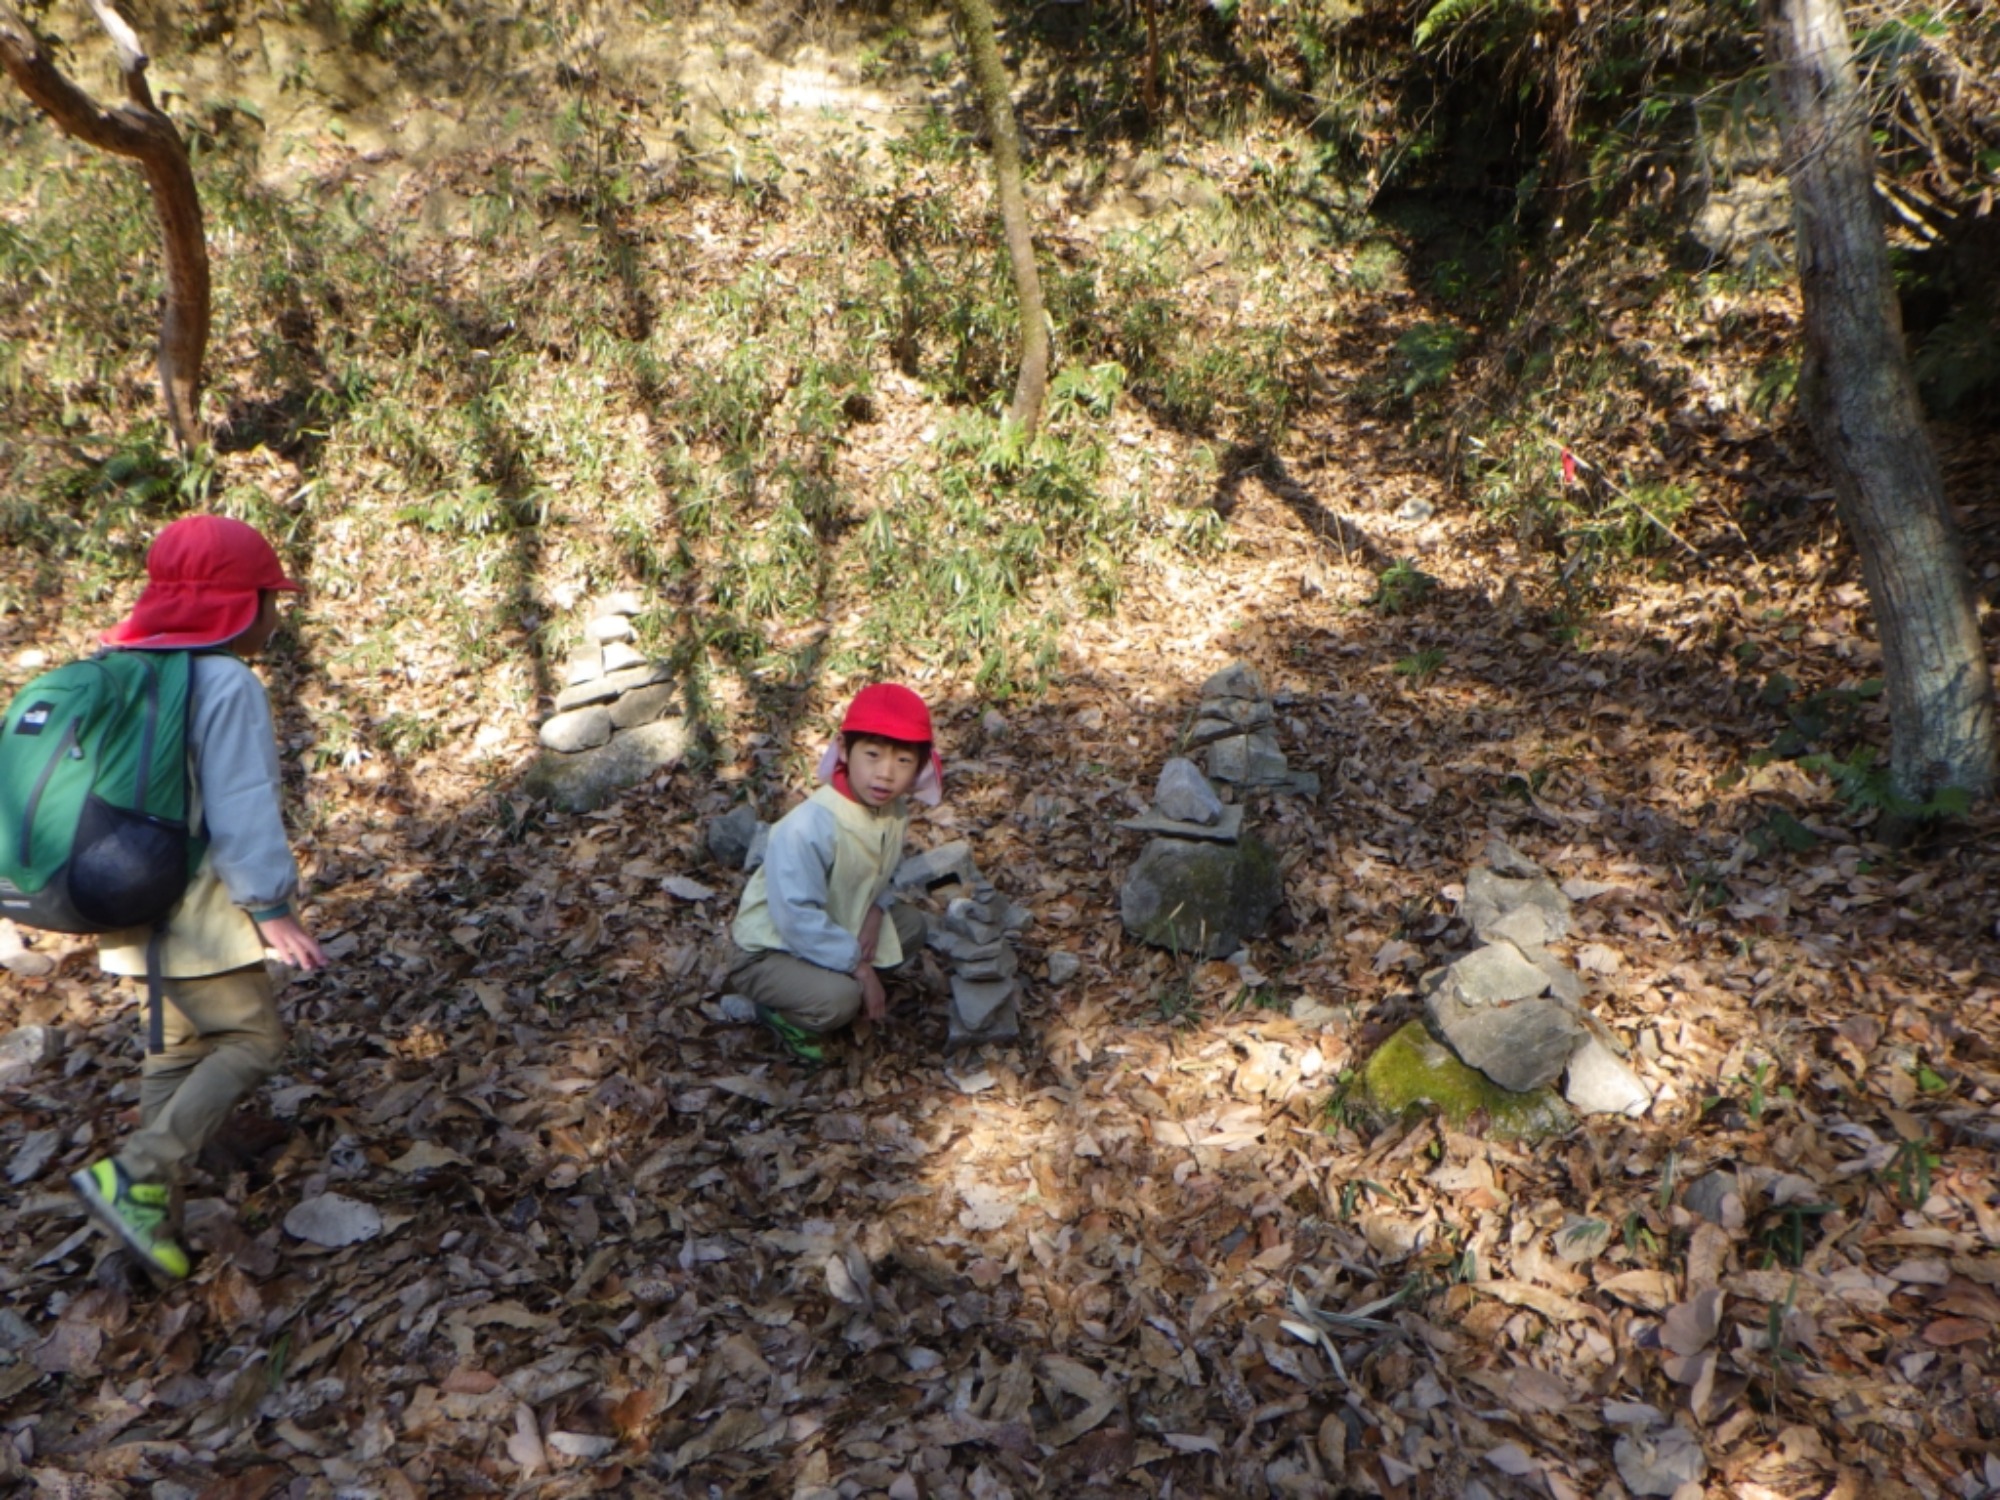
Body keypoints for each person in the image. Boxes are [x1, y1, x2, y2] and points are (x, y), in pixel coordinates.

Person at [69, 514, 326, 1281]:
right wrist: (271, 905)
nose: (276, 616)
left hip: (122, 895)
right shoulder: (225, 683)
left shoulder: (121, 670)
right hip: (204, 906)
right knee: (252, 1043)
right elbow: (241, 799)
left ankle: (143, 1243)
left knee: (173, 1057)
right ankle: (137, 1174)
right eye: (267, 599)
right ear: (236, 605)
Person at [727, 684, 941, 1061]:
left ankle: (833, 983)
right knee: (841, 999)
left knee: (909, 927)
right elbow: (795, 917)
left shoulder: (892, 811)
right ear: (844, 749)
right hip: (770, 949)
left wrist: (876, 910)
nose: (886, 774)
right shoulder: (810, 826)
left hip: (838, 923)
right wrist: (860, 969)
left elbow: (880, 871)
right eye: (872, 755)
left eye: (904, 761)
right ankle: (783, 1013)